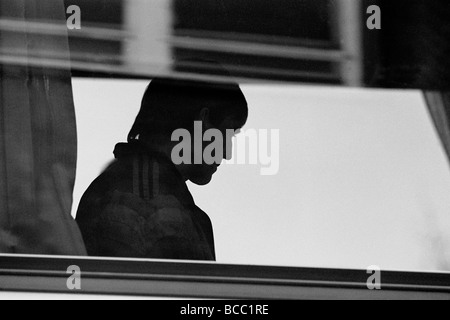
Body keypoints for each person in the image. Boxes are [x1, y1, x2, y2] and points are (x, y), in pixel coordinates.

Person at [76, 74, 248, 261]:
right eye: (228, 133)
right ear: (203, 121)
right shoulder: (149, 201)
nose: (226, 153)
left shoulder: (136, 188)